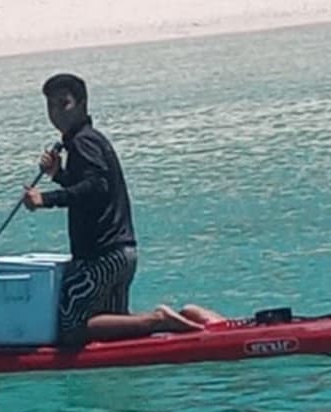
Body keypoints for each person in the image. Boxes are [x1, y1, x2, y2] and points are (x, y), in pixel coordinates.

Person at [22, 72, 223, 344]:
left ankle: (159, 319)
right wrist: (59, 174)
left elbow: (96, 187)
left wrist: (46, 199)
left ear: (82, 104)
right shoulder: (89, 140)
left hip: (101, 258)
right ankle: (195, 318)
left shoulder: (84, 142)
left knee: (70, 328)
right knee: (116, 327)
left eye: (64, 103)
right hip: (121, 254)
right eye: (51, 106)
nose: (56, 112)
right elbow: (91, 186)